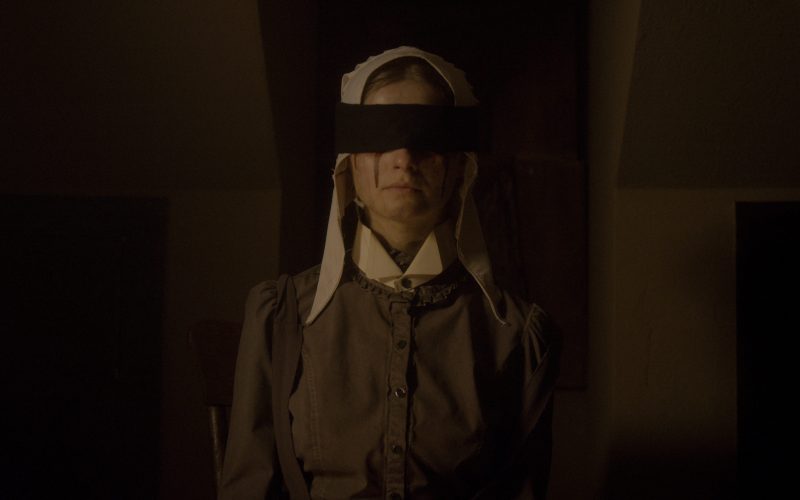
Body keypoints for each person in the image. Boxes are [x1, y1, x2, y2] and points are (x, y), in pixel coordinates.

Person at [219, 46, 560, 500]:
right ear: (350, 163)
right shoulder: (282, 317)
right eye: (380, 136)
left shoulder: (516, 337)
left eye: (427, 138)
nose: (404, 157)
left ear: (460, 166)